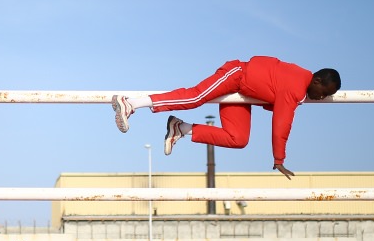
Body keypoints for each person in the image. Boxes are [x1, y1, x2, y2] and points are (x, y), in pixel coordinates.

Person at [111, 56, 340, 179]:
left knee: (238, 138)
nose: (321, 98)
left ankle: (180, 128)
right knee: (195, 98)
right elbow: (282, 123)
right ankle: (131, 103)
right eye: (323, 93)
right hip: (237, 75)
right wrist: (279, 159)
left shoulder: (300, 84)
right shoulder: (297, 87)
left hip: (244, 94)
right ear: (317, 81)